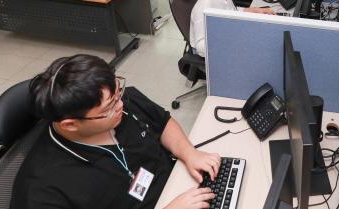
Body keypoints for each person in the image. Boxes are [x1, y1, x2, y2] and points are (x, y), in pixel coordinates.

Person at [11, 54, 219, 209]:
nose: (121, 104)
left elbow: (162, 122)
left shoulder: (117, 100)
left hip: (178, 186)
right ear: (70, 124)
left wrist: (189, 153)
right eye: (109, 107)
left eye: (119, 91)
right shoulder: (41, 190)